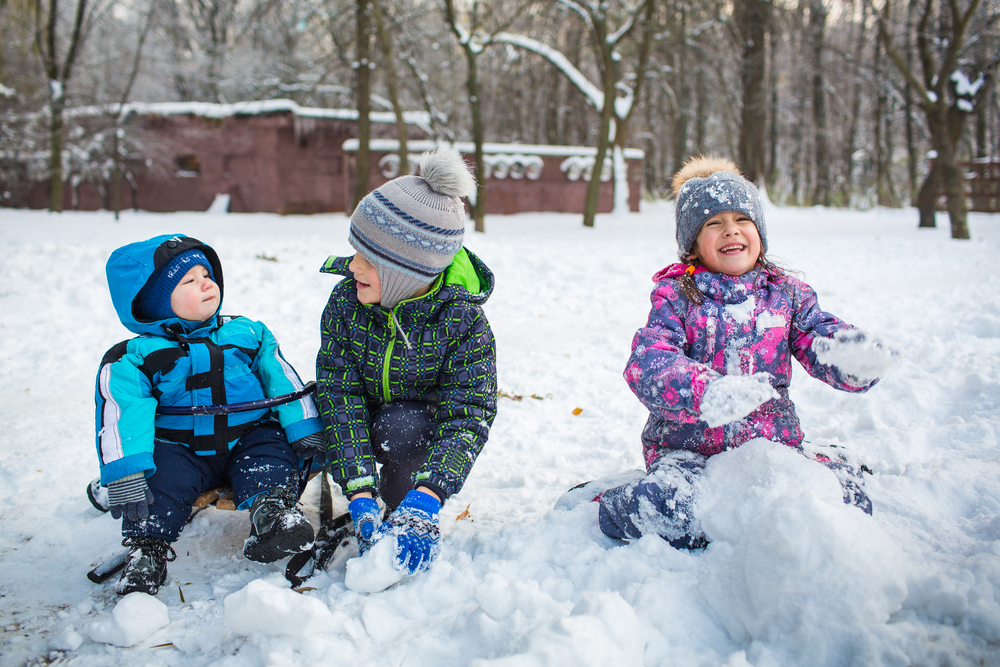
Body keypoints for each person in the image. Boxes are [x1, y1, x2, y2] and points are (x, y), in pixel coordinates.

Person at [597, 156, 897, 548]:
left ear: (760, 232)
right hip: (689, 453)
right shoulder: (676, 297)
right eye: (713, 223)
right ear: (691, 245)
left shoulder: (787, 294)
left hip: (768, 449)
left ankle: (811, 474)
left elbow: (817, 334)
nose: (731, 231)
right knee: (673, 511)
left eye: (742, 220)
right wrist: (707, 392)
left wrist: (849, 357)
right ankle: (610, 502)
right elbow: (649, 361)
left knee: (843, 504)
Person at [95, 234, 325, 595]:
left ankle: (275, 514)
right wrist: (126, 470)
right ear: (153, 303)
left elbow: (282, 379)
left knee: (271, 453)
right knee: (159, 484)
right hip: (179, 448)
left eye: (207, 274)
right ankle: (147, 550)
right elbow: (122, 414)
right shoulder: (134, 357)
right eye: (189, 281)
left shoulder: (248, 333)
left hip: (246, 436)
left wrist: (303, 425)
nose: (206, 283)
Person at [315, 148, 497, 580]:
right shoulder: (346, 303)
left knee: (404, 430)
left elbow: (470, 414)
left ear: (406, 272)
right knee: (300, 420)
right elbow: (338, 395)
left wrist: (429, 495)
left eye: (368, 260)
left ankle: (403, 503)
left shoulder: (462, 321)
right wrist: (358, 491)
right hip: (360, 417)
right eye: (354, 250)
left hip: (415, 431)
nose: (353, 266)